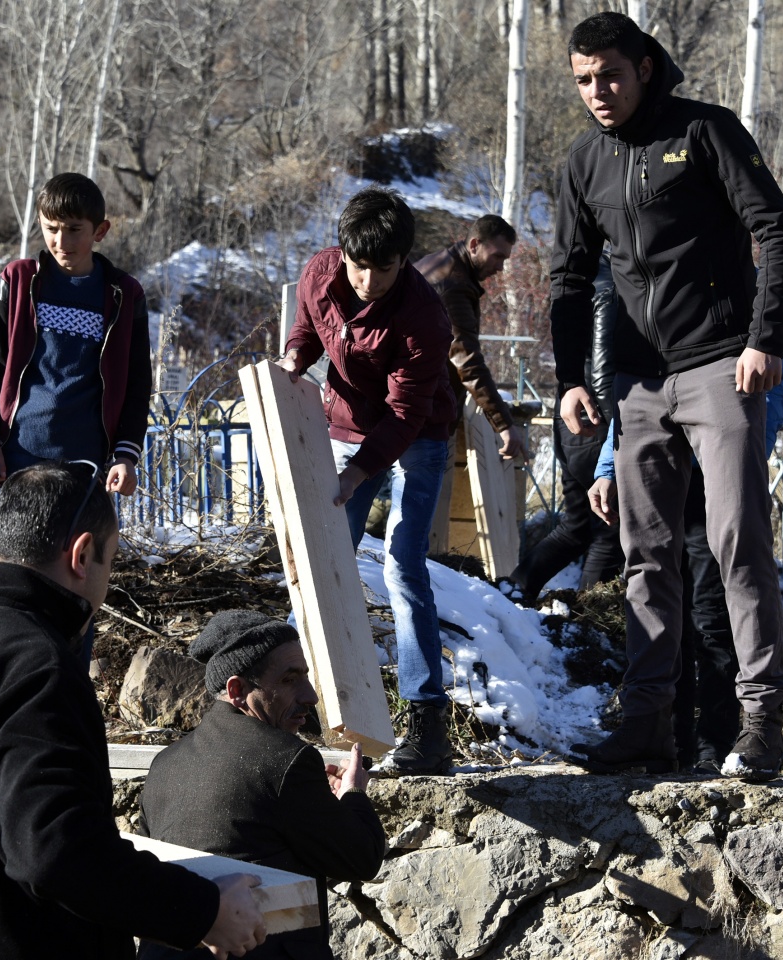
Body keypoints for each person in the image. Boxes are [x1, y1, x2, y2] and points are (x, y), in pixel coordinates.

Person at [0, 461, 265, 960]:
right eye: (110, 561)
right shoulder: (35, 663)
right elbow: (57, 850)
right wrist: (202, 910)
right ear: (81, 554)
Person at [549, 12, 783, 781]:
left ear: (645, 68)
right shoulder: (584, 160)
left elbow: (778, 230)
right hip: (638, 385)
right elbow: (568, 278)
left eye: (610, 75)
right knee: (645, 557)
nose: (598, 91)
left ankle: (761, 723)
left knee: (737, 542)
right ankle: (645, 725)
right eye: (584, 80)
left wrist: (766, 339)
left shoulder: (704, 131)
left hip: (722, 363)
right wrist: (569, 378)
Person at [279, 187, 457, 776]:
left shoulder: (424, 315)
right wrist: (294, 359)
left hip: (418, 435)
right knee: (323, 555)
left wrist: (358, 473)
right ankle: (283, 698)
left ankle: (427, 722)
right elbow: (308, 327)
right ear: (343, 253)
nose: (369, 280)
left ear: (404, 260)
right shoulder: (319, 273)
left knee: (402, 566)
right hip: (347, 427)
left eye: (385, 268)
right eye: (359, 265)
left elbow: (405, 414)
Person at [140, 611, 388, 960]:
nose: (310, 696)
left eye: (305, 677)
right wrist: (353, 793)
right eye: (289, 679)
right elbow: (360, 859)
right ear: (237, 690)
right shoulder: (286, 759)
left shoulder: (164, 764)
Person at [590, 364, 783, 772]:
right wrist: (608, 466)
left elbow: (770, 385)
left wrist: (741, 449)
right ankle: (667, 737)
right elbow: (637, 379)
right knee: (660, 600)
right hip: (657, 457)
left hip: (714, 463)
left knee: (712, 612)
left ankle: (716, 744)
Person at [0, 172, 153, 566]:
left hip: (86, 467)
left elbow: (138, 383)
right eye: (51, 228)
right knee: (5, 575)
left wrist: (126, 455)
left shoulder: (124, 295)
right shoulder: (17, 281)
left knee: (74, 578)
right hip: (17, 459)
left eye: (74, 230)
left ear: (100, 230)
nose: (61, 241)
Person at [504, 250, 623, 607]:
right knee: (608, 529)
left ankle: (513, 592)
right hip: (594, 423)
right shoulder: (609, 286)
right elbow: (603, 368)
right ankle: (590, 618)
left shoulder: (579, 285)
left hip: (569, 421)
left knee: (576, 527)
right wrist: (614, 431)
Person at [415, 213, 528, 461]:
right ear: (475, 245)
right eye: (497, 256)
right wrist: (504, 424)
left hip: (409, 407)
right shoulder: (453, 285)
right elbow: (467, 360)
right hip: (425, 416)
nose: (500, 267)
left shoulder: (437, 262)